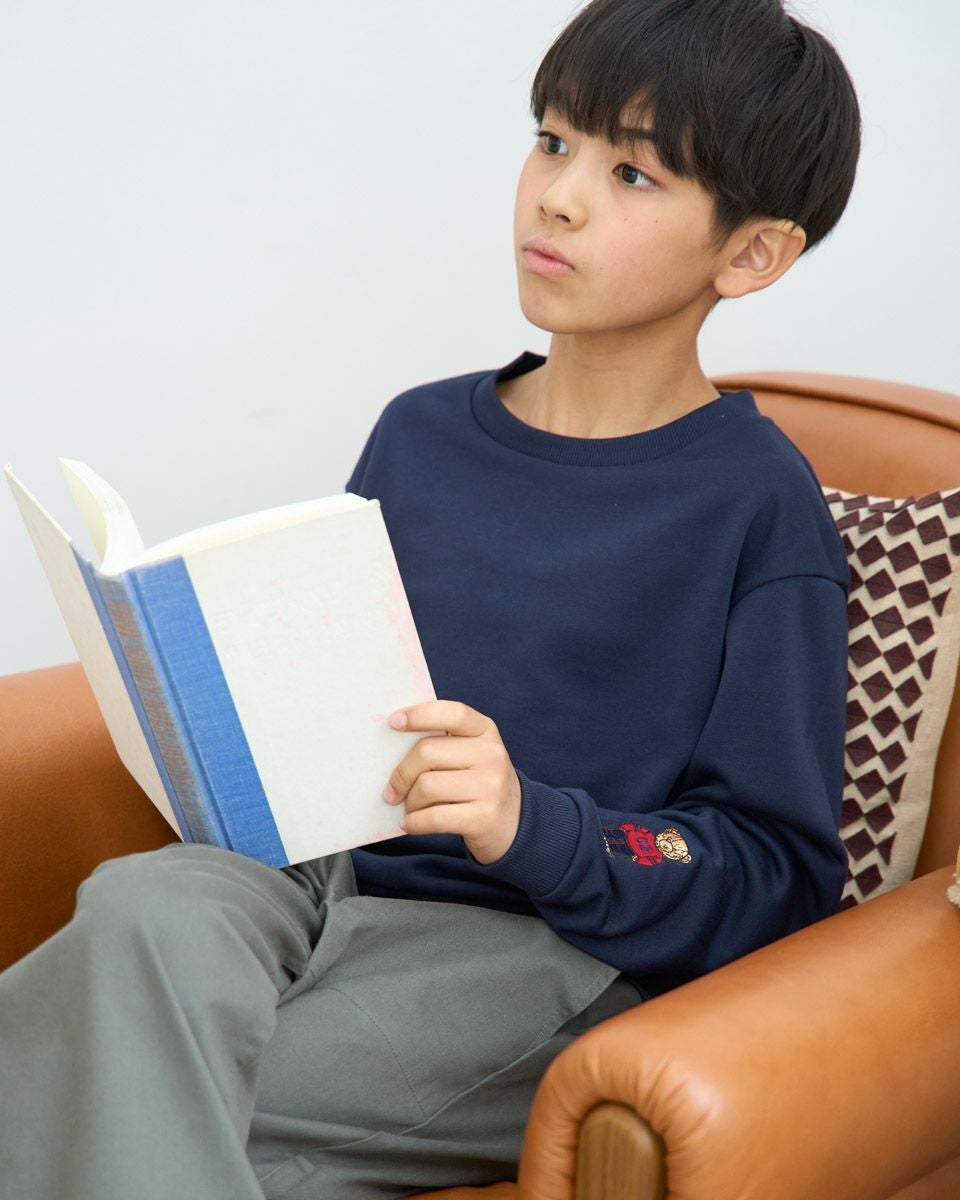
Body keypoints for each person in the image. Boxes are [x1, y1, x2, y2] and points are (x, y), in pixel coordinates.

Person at [0, 1, 862, 1197]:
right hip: (321, 883)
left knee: (113, 1079)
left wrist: (531, 822)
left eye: (631, 172)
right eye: (551, 141)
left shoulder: (758, 505)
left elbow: (774, 871)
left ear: (751, 253)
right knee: (138, 910)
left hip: (546, 950)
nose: (557, 197)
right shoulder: (418, 433)